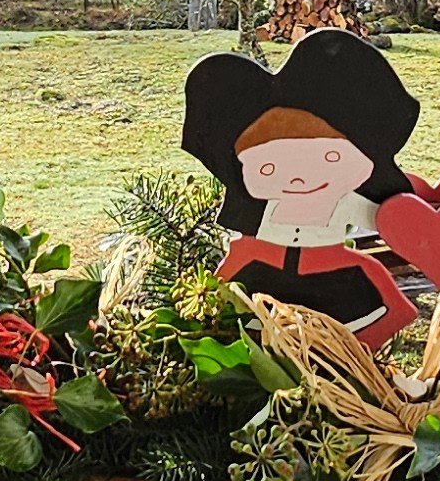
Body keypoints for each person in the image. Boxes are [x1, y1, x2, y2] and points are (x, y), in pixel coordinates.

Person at [178, 26, 425, 344]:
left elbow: (400, 306)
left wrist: (356, 354)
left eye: (331, 158)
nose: (297, 178)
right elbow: (212, 301)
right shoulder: (250, 251)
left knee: (374, 292)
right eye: (267, 167)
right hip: (265, 269)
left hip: (333, 270)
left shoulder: (355, 227)